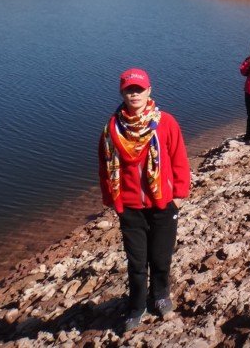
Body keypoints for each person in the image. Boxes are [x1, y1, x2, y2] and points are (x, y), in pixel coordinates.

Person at [98, 68, 191, 333]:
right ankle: (136, 306)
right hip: (130, 208)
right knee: (137, 262)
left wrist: (179, 196)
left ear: (149, 91)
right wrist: (112, 201)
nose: (135, 94)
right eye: (129, 89)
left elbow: (179, 159)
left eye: (139, 89)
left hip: (163, 204)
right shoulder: (112, 129)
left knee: (161, 256)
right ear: (122, 93)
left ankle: (160, 295)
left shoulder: (165, 123)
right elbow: (105, 167)